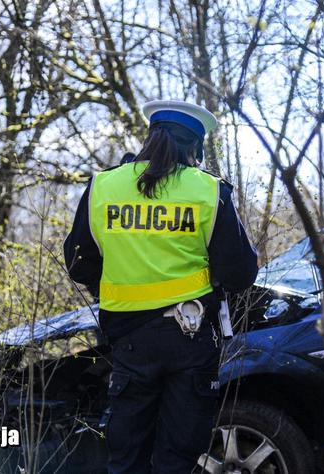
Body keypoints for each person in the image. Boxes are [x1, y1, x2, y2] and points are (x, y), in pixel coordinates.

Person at [64, 100, 258, 474]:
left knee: (126, 458)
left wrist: (111, 281)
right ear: (195, 149)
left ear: (150, 137)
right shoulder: (208, 191)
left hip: (128, 342)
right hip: (190, 339)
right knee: (177, 459)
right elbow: (240, 273)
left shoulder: (104, 186)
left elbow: (78, 262)